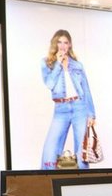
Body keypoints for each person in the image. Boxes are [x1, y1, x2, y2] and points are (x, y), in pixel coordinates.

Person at [40, 30, 96, 170]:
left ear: (70, 45)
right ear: (55, 44)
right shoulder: (47, 63)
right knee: (50, 149)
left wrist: (91, 114)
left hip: (79, 107)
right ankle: (47, 179)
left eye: (65, 42)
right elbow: (49, 84)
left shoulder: (77, 65)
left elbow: (86, 90)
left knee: (82, 150)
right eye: (59, 42)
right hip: (61, 109)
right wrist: (58, 63)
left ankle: (83, 180)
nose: (62, 46)